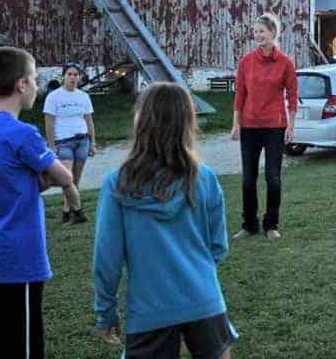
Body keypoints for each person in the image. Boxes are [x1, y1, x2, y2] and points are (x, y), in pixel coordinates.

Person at [93, 83, 235, 359]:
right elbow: (218, 246)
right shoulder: (204, 178)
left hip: (149, 309)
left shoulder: (118, 184)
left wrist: (106, 311)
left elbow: (107, 259)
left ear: (141, 121)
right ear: (187, 124)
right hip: (204, 300)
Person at [0, 47, 76, 358]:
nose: (36, 86)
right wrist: (49, 175)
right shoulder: (22, 133)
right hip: (17, 257)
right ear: (21, 84)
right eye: (35, 79)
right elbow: (64, 176)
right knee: (24, 347)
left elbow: (6, 183)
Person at [230, 13, 298, 241]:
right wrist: (236, 124)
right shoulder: (246, 62)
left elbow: (293, 95)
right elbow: (240, 94)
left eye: (261, 31)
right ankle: (249, 225)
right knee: (248, 179)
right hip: (249, 127)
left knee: (273, 178)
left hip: (274, 127)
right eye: (255, 31)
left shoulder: (285, 62)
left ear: (273, 33)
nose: (257, 35)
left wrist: (291, 126)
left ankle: (271, 225)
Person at [43, 61, 96, 224]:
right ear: (63, 76)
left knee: (75, 180)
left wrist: (93, 143)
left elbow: (89, 120)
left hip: (82, 141)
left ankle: (67, 211)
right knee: (67, 179)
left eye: (76, 75)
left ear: (80, 77)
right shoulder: (54, 97)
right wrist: (51, 145)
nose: (72, 78)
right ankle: (78, 212)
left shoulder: (83, 97)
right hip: (63, 142)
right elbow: (49, 122)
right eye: (69, 74)